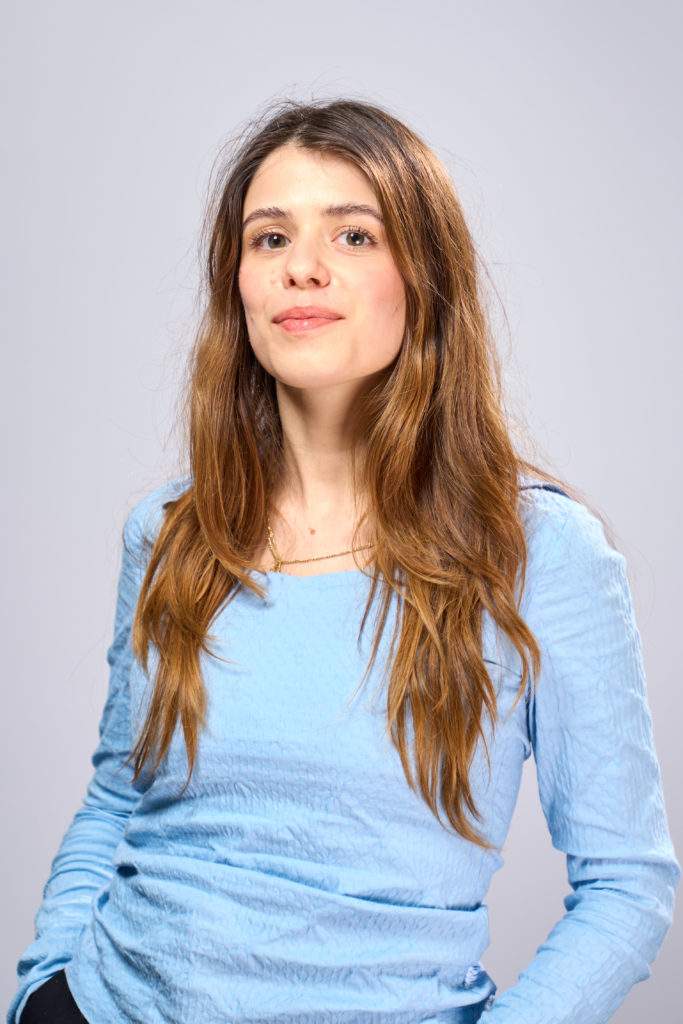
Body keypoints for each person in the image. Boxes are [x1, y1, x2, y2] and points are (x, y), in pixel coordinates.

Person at [8, 97, 680, 1024]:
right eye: (270, 238)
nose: (303, 267)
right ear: (237, 284)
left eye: (354, 236)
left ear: (423, 277)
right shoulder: (168, 533)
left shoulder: (539, 553)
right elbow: (118, 796)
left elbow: (626, 886)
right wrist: (43, 984)